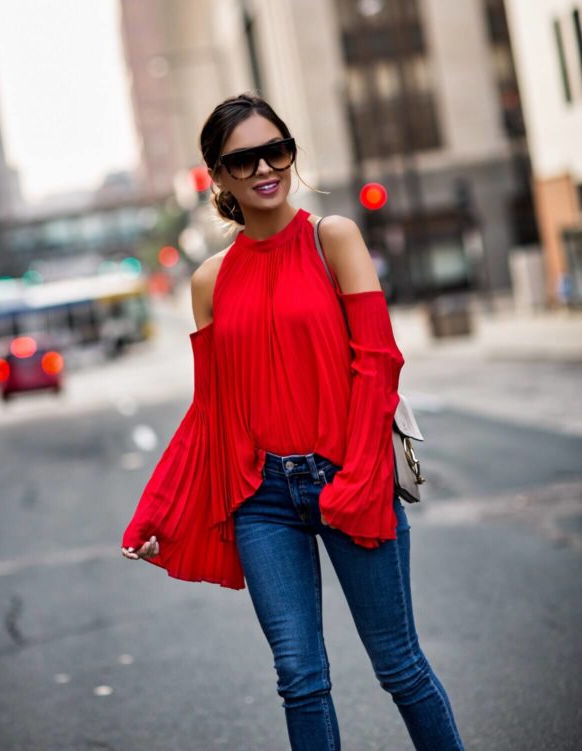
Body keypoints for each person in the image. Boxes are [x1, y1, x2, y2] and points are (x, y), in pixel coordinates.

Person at [121, 93, 465, 751]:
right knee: (300, 677)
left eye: (274, 150)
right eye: (241, 159)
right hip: (263, 500)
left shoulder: (332, 237)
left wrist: (362, 476)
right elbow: (212, 411)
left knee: (399, 664)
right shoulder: (209, 281)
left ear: (291, 152)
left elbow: (379, 363)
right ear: (217, 177)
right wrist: (158, 508)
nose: (262, 168)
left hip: (349, 472)